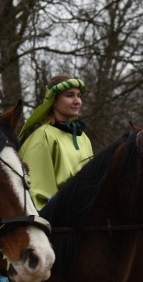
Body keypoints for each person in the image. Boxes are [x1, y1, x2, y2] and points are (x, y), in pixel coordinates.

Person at [18, 75, 93, 210]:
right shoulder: (42, 136)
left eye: (79, 95)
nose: (77, 101)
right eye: (70, 95)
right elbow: (37, 192)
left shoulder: (83, 138)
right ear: (53, 100)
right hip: (59, 222)